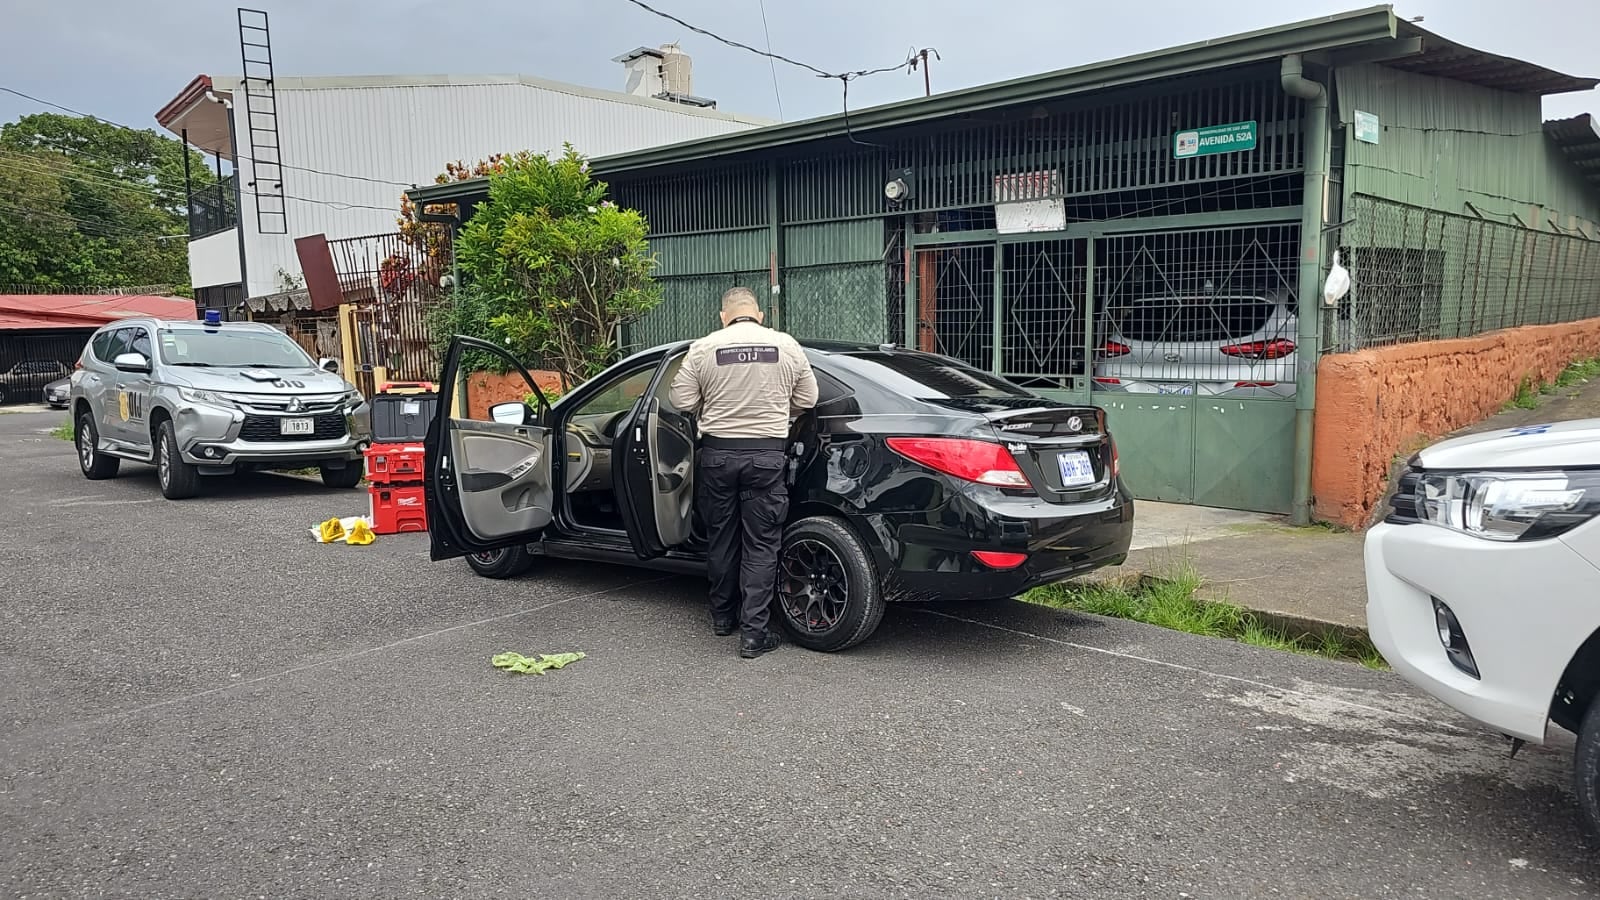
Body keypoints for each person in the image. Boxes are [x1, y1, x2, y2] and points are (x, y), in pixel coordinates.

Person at [669, 286, 818, 658]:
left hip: (717, 455)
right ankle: (754, 634)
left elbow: (681, 400)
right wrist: (780, 412)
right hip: (767, 457)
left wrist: (711, 401)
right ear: (760, 314)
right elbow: (809, 400)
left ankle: (722, 617)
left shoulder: (704, 347)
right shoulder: (786, 346)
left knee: (721, 537)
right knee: (761, 544)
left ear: (724, 315)